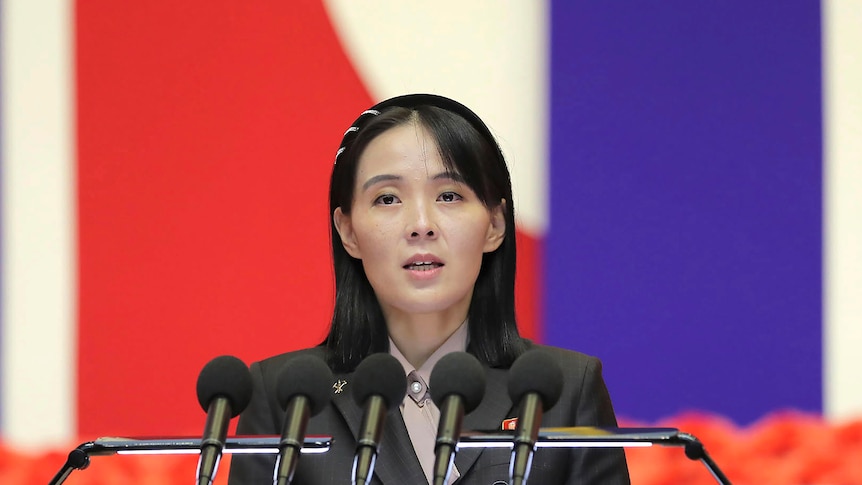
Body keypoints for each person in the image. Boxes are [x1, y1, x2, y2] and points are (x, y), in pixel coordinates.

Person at [228, 94, 630, 484]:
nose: (421, 223)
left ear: (495, 225)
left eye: (449, 195)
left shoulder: (566, 390)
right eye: (387, 199)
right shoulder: (285, 398)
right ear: (348, 231)